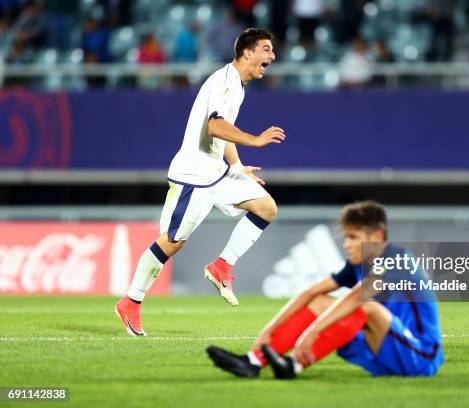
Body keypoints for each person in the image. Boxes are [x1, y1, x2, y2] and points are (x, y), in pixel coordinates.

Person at [115, 28, 285, 336]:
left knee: (266, 207)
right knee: (172, 242)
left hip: (216, 171)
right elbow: (216, 125)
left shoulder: (238, 85)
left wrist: (238, 166)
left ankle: (222, 266)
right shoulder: (224, 82)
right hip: (193, 176)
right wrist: (255, 141)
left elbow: (223, 130)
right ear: (247, 52)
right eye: (266, 49)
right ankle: (131, 301)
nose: (271, 56)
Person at [207, 201, 444, 379]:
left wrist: (311, 332)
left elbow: (356, 298)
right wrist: (270, 330)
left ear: (378, 236)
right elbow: (310, 293)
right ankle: (252, 362)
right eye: (346, 237)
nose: (346, 244)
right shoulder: (359, 264)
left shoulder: (398, 260)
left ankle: (294, 365)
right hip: (383, 349)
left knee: (364, 305)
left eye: (353, 237)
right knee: (322, 301)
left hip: (420, 356)